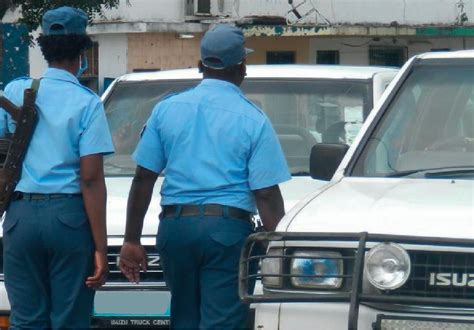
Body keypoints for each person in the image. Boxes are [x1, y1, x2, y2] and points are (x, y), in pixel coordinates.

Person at [119, 24, 291, 329]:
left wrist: (131, 239)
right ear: (242, 68)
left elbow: (143, 178)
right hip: (226, 233)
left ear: (201, 66)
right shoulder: (253, 119)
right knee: (222, 321)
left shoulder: (166, 110)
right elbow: (265, 193)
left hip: (175, 229)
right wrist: (279, 249)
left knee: (184, 317)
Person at [1, 6, 114, 328]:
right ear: (82, 51)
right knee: (69, 319)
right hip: (68, 220)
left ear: (44, 47)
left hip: (20, 219)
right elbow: (91, 179)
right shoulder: (87, 102)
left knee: (25, 319)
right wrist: (101, 249)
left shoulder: (17, 91)